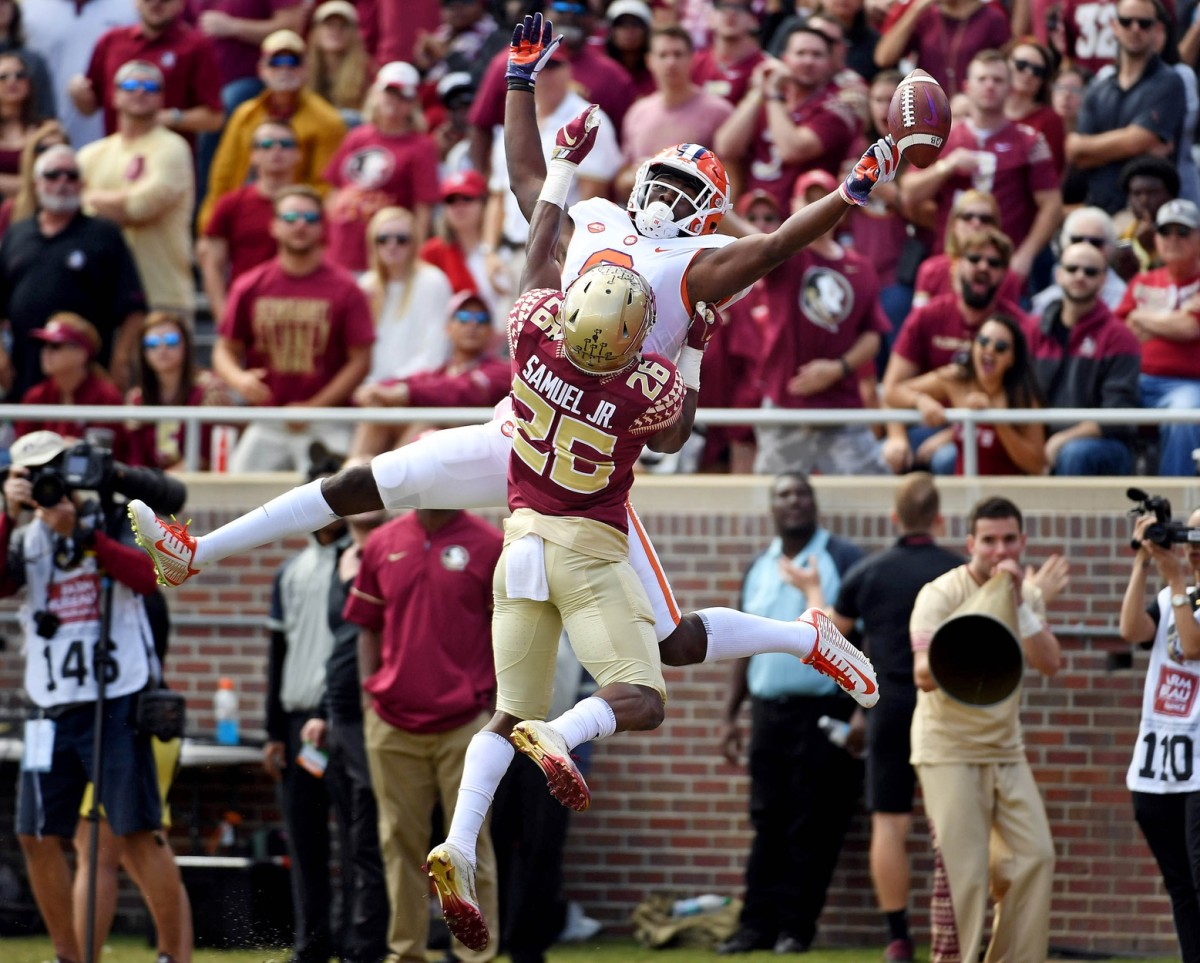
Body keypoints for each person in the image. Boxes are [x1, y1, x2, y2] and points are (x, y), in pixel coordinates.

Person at [128, 12, 895, 712]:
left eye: (683, 186)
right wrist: (520, 80)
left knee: (670, 643)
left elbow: (778, 242)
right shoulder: (597, 216)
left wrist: (851, 190)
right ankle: (196, 549)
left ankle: (805, 637)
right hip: (526, 422)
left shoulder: (701, 259)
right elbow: (529, 181)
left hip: (591, 462)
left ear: (703, 209)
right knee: (367, 480)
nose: (662, 191)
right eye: (660, 175)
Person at [2, 429, 188, 963]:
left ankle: (174, 955)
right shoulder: (21, 536)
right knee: (35, 833)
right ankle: (70, 955)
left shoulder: (112, 518)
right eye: (31, 475)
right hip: (49, 702)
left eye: (54, 470)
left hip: (117, 698)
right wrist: (6, 514)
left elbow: (151, 576)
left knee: (135, 833)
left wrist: (84, 537)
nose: (47, 483)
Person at [715, 473, 868, 956]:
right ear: (772, 508)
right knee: (768, 822)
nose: (794, 502)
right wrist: (730, 715)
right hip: (767, 717)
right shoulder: (758, 567)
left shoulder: (842, 560)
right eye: (784, 495)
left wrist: (862, 712)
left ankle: (795, 930)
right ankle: (754, 927)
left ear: (815, 504)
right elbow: (742, 644)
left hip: (824, 715)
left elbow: (860, 642)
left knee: (813, 825)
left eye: (802, 493)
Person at [344, 504, 503, 963]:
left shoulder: (490, 545)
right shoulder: (381, 542)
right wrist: (367, 699)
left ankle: (477, 955)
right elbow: (367, 626)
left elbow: (505, 631)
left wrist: (495, 710)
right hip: (392, 723)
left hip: (467, 725)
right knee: (399, 845)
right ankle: (406, 953)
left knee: (471, 845)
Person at [910, 496, 1061, 963]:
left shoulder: (1027, 596)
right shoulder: (940, 593)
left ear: (1023, 542)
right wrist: (976, 626)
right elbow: (922, 674)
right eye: (989, 541)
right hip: (947, 749)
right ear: (970, 543)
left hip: (1005, 748)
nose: (1000, 551)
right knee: (965, 877)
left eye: (1009, 540)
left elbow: (1050, 663)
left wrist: (1020, 603)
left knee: (1036, 857)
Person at [829, 473, 965, 963]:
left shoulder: (867, 573)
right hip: (947, 707)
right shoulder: (960, 572)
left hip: (886, 709)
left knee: (890, 823)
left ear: (894, 517)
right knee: (954, 820)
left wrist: (857, 698)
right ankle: (961, 927)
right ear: (939, 518)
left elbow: (831, 642)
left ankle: (898, 937)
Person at [211, 185, 374, 472]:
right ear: (274, 226)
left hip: (328, 421)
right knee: (237, 496)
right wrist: (239, 380)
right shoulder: (250, 285)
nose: (300, 224)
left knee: (341, 501)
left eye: (310, 218)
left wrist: (314, 407)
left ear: (322, 227)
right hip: (268, 419)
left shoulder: (346, 288)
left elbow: (361, 360)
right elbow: (225, 348)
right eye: (291, 217)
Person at [263, 453, 351, 963]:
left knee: (356, 838)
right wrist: (273, 731)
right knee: (305, 842)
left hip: (342, 718)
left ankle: (355, 938)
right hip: (299, 725)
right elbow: (276, 655)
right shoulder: (290, 572)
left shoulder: (358, 561)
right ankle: (311, 943)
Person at [296, 496, 389, 963]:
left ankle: (367, 947)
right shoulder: (339, 559)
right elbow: (341, 645)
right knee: (349, 839)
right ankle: (342, 938)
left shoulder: (395, 550)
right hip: (337, 714)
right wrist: (319, 710)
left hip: (377, 712)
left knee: (371, 838)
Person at [753, 168, 891, 476]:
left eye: (825, 200)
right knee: (778, 497)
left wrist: (837, 369)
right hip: (787, 400)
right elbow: (747, 238)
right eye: (809, 200)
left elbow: (872, 335)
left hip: (841, 403)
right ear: (794, 204)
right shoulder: (782, 253)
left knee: (865, 499)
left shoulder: (860, 266)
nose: (817, 209)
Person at [900, 50, 1062, 286]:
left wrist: (1025, 256)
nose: (990, 86)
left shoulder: (1030, 141)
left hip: (1003, 266)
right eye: (982, 79)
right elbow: (908, 193)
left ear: (1010, 88)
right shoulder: (941, 138)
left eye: (997, 80)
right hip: (950, 263)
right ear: (967, 86)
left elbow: (1052, 206)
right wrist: (947, 166)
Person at [0, 143, 146, 399]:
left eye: (72, 175)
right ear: (36, 184)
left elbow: (133, 308)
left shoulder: (105, 234)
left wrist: (121, 359)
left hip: (89, 378)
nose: (63, 182)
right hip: (25, 376)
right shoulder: (16, 234)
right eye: (53, 175)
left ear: (82, 184)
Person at [1119, 508, 1200, 963]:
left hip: (1199, 771)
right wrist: (1142, 561)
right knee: (1181, 888)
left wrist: (1174, 583)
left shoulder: (1181, 595)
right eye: (1189, 537)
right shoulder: (1177, 596)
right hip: (1159, 765)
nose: (1192, 549)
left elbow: (1192, 646)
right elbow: (1132, 630)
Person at [881, 227, 1029, 475]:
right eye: (974, 259)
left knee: (947, 458)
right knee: (889, 456)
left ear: (1004, 274)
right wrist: (902, 428)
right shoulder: (928, 316)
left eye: (993, 263)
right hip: (930, 422)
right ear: (956, 265)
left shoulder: (1017, 325)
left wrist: (956, 433)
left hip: (994, 431)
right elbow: (891, 389)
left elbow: (1026, 395)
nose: (983, 267)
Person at [76, 60, 195, 318]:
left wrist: (90, 199)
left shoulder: (173, 148)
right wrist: (120, 203)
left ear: (162, 97)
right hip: (103, 298)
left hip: (162, 297)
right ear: (114, 95)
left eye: (150, 86)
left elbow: (142, 205)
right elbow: (72, 212)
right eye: (130, 85)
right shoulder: (90, 155)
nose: (140, 91)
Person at [199, 29, 346, 231]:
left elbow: (326, 187)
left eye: (293, 63)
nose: (284, 70)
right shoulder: (244, 115)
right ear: (261, 69)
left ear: (306, 69)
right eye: (275, 63)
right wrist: (210, 227)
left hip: (300, 221)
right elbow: (223, 176)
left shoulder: (328, 121)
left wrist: (291, 216)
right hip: (245, 214)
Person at [714, 23, 862, 210]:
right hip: (753, 216)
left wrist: (773, 95)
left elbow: (792, 150)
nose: (808, 61)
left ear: (830, 63)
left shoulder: (836, 108)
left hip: (800, 223)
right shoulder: (765, 99)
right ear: (785, 59)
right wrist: (759, 91)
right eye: (800, 53)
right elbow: (725, 147)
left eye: (817, 55)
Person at [1029, 240, 1142, 475]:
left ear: (1103, 280)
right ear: (1059, 274)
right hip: (1037, 437)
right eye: (1072, 269)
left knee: (1074, 453)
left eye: (1090, 271)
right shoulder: (1031, 330)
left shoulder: (1120, 337)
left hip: (1103, 444)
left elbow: (1117, 415)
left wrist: (1061, 439)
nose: (1080, 276)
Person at [350, 290, 508, 458]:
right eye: (463, 317)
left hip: (473, 457)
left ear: (491, 330)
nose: (472, 325)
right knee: (378, 410)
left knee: (428, 420)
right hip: (441, 460)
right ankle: (355, 469)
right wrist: (372, 392)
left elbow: (463, 391)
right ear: (448, 328)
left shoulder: (503, 370)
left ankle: (385, 475)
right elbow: (396, 386)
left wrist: (404, 393)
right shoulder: (435, 374)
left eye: (482, 319)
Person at [884, 313, 1047, 475]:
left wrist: (998, 421)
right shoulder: (957, 379)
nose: (989, 349)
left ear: (1012, 359)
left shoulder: (1023, 396)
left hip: (1005, 496)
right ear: (973, 346)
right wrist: (919, 400)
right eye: (983, 341)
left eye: (1000, 347)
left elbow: (1037, 465)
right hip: (964, 492)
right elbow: (892, 392)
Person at [1066, 0, 1185, 214]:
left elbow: (1140, 139)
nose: (1135, 28)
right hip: (1098, 208)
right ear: (1114, 26)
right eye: (1126, 21)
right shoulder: (1097, 88)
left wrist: (1090, 147)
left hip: (1146, 212)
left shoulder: (1170, 81)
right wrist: (1133, 143)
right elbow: (1076, 154)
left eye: (1144, 23)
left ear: (1157, 29)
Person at [323, 61, 440, 274]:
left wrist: (414, 257)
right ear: (376, 94)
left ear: (413, 102)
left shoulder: (421, 147)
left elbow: (423, 210)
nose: (395, 102)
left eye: (403, 96)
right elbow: (334, 192)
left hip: (384, 260)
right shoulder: (356, 137)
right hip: (339, 251)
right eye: (389, 93)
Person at [1114, 197, 1200, 476]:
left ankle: (1176, 503)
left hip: (1185, 385)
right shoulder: (1142, 281)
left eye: (1183, 231)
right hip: (1133, 379)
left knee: (1184, 413)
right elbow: (1122, 332)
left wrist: (1142, 316)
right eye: (1165, 231)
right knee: (1098, 408)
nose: (1173, 239)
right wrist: (1175, 318)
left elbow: (1191, 329)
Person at [68, 0, 223, 142]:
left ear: (181, 3)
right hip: (119, 155)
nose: (155, 4)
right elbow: (88, 108)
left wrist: (164, 118)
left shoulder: (196, 46)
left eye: (165, 0)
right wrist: (77, 93)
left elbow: (215, 118)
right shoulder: (111, 41)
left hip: (169, 157)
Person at [198, 118, 300, 321]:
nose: (277, 150)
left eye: (286, 144)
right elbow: (212, 264)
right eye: (267, 145)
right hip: (246, 312)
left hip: (299, 311)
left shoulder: (310, 207)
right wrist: (224, 316)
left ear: (298, 154)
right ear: (253, 155)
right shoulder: (231, 204)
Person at [616, 25, 734, 200]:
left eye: (678, 54)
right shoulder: (637, 113)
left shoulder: (719, 111)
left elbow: (732, 177)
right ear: (649, 61)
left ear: (692, 59)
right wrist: (638, 174)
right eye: (663, 55)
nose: (671, 62)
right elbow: (622, 180)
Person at [357, 204, 454, 387]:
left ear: (414, 243)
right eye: (383, 239)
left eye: (401, 239)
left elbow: (436, 350)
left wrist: (394, 386)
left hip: (415, 390)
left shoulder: (433, 281)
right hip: (369, 390)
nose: (392, 245)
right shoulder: (365, 285)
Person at [13, 312, 130, 460]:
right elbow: (21, 449)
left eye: (55, 345)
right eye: (44, 345)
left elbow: (110, 454)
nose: (45, 352)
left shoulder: (106, 397)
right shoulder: (36, 395)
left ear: (82, 353)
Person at [126, 312, 230, 472]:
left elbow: (206, 456)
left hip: (197, 483)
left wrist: (162, 482)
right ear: (143, 352)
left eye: (171, 340)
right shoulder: (136, 398)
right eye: (152, 343)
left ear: (186, 345)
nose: (162, 349)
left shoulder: (209, 389)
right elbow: (135, 458)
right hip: (151, 486)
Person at [910, 190, 1023, 311]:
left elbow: (1008, 325)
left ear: (996, 226)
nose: (976, 223)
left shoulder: (1008, 277)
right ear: (954, 224)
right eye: (968, 217)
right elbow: (919, 323)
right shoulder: (930, 270)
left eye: (985, 219)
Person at [873, 0, 1011, 94]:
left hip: (973, 113)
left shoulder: (992, 19)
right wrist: (915, 10)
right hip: (930, 109)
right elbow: (883, 58)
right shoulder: (926, 16)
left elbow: (1006, 70)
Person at [1030, 206, 1128, 313]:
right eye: (1077, 240)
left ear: (1110, 247)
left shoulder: (1123, 299)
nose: (1085, 247)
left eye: (1095, 242)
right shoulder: (1043, 303)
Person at [305, 0, 371, 129]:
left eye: (343, 26)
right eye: (329, 25)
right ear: (316, 31)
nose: (336, 31)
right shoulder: (303, 68)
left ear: (354, 33)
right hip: (314, 133)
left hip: (350, 134)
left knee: (349, 117)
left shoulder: (366, 70)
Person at [1003, 38, 1065, 174]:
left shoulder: (1050, 120)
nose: (1029, 73)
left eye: (1038, 70)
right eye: (1021, 65)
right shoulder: (984, 109)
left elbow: (1051, 174)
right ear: (1004, 64)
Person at [689, 0, 768, 105]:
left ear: (753, 20)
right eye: (722, 6)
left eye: (740, 8)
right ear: (710, 17)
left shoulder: (765, 69)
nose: (731, 13)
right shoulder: (693, 64)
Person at [0, 51, 45, 199]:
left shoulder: (47, 130)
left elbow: (50, 181)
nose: (12, 81)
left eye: (20, 75)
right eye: (3, 77)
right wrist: (28, 184)